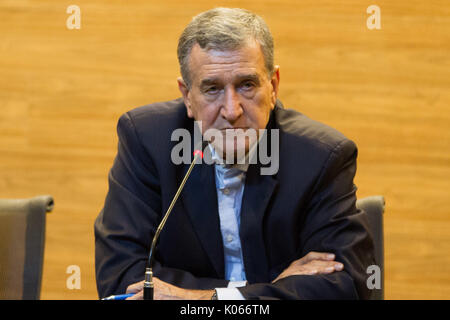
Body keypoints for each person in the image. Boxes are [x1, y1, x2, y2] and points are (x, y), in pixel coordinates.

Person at [94, 7, 375, 300]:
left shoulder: (320, 157)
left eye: (247, 85)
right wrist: (266, 290)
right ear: (187, 96)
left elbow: (349, 287)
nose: (232, 110)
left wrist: (200, 299)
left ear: (274, 86)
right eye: (212, 89)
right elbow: (121, 279)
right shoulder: (147, 140)